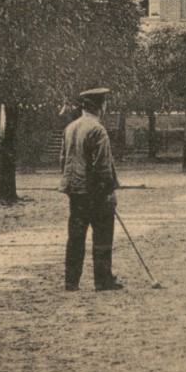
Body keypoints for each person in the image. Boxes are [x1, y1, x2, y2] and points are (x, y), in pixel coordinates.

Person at [60, 88, 123, 291]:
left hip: (75, 192)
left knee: (75, 237)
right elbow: (102, 166)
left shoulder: (69, 128)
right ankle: (103, 280)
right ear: (101, 106)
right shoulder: (98, 130)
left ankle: (71, 281)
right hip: (95, 193)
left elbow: (63, 160)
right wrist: (108, 192)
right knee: (102, 236)